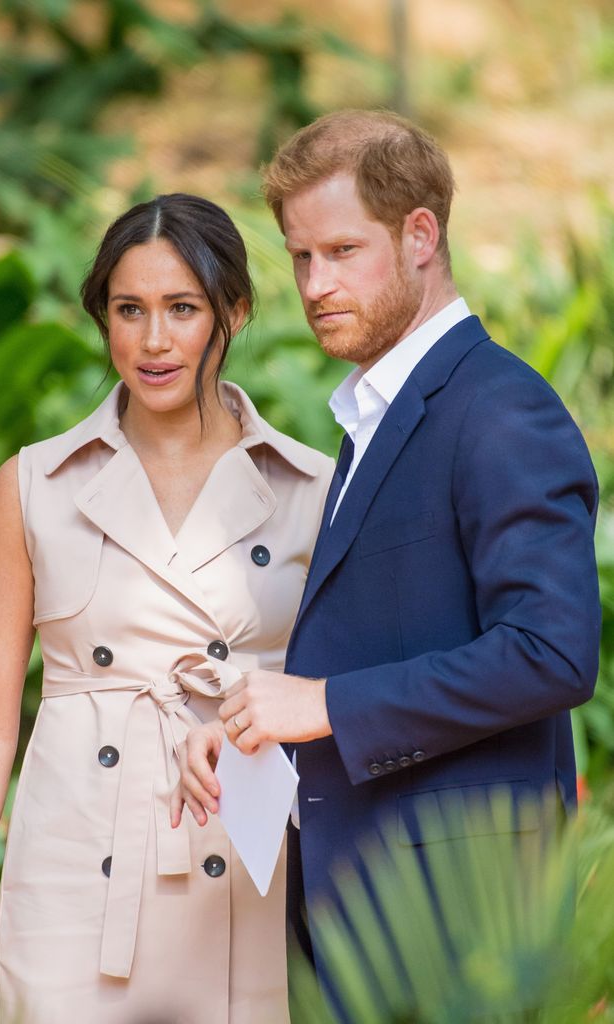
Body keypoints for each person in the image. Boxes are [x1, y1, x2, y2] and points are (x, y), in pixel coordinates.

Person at [174, 110, 601, 1017]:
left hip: (460, 921)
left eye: (341, 250)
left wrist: (323, 704)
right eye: (300, 258)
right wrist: (269, 727)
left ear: (420, 235)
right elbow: (392, 634)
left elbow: (553, 651)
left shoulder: (498, 410)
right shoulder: (374, 417)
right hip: (371, 912)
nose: (316, 284)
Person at [0, 192, 334, 1024]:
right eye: (129, 310)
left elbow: (340, 698)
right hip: (72, 875)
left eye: (182, 309)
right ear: (103, 319)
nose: (154, 341)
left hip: (237, 866)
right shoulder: (34, 486)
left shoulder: (312, 490)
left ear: (235, 312)